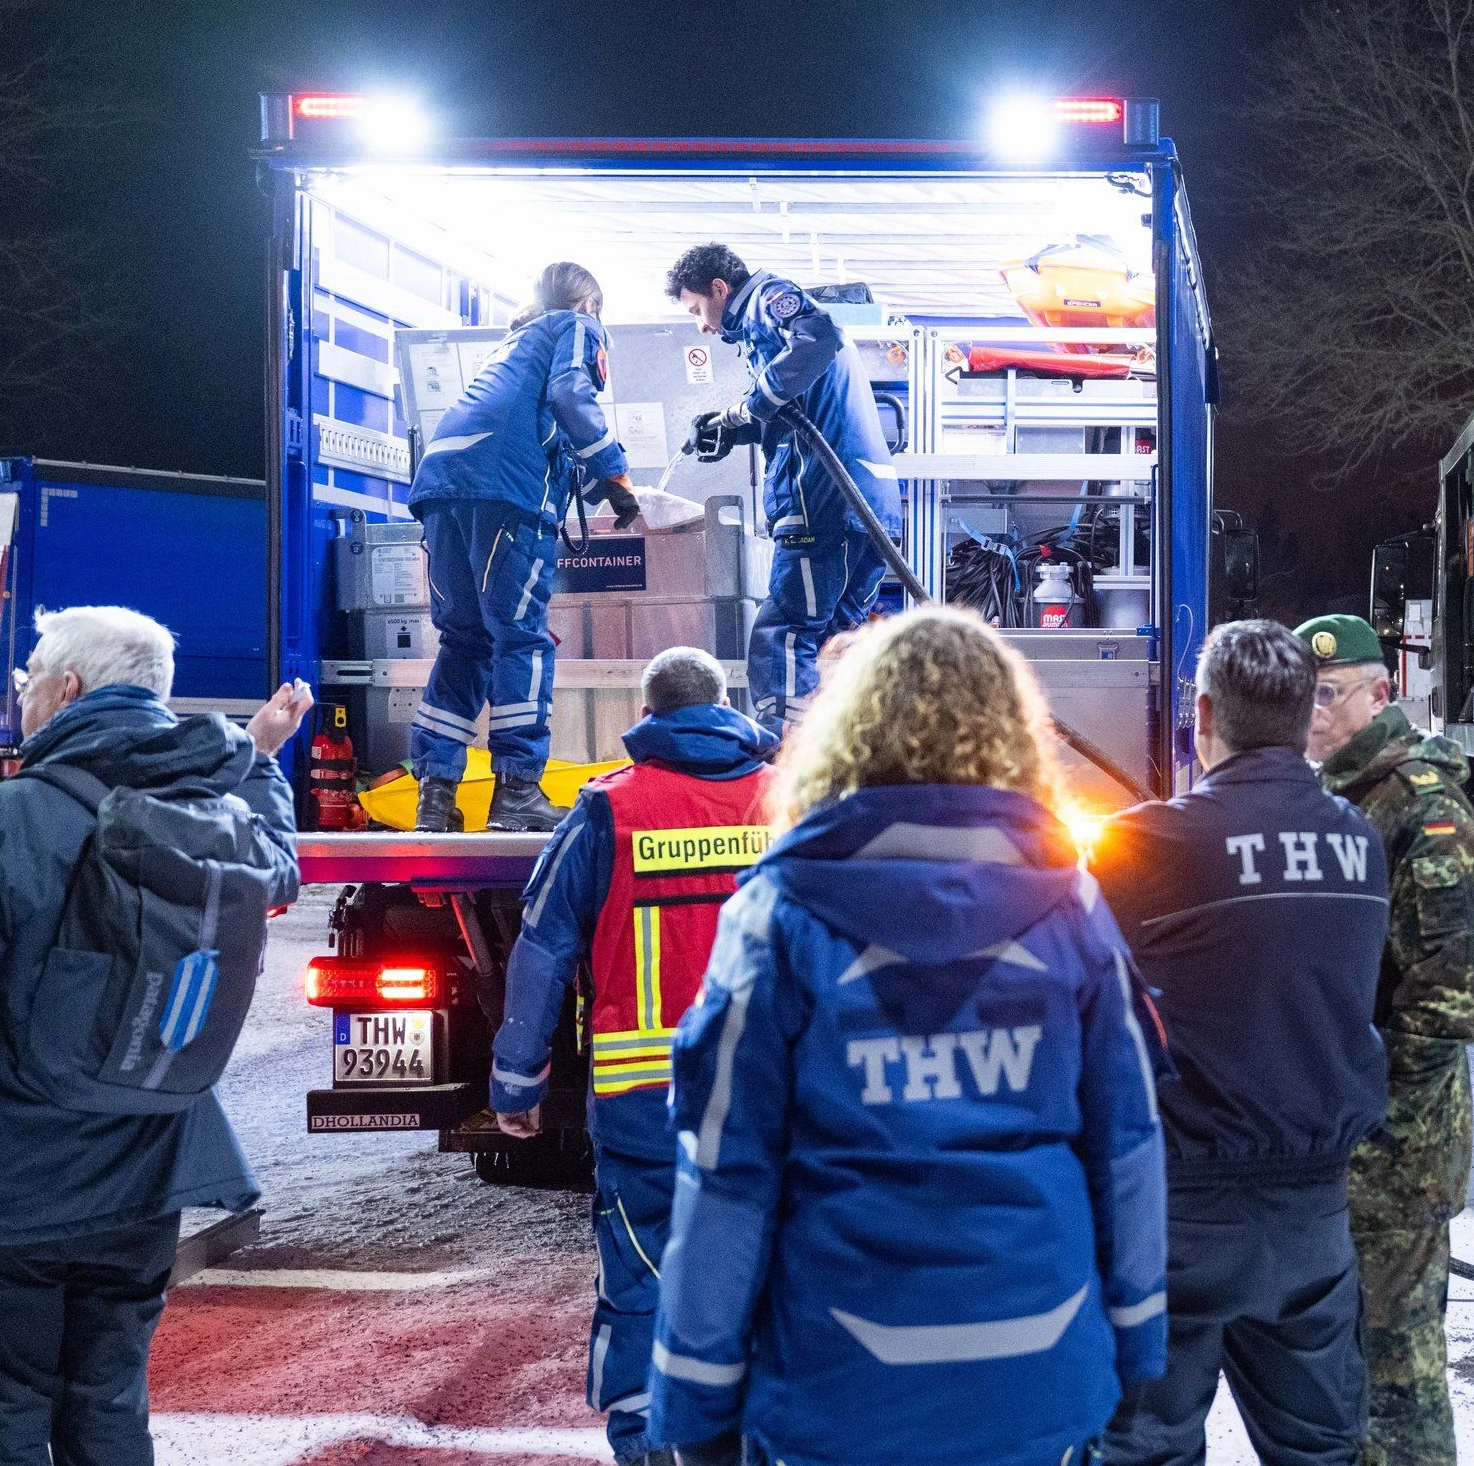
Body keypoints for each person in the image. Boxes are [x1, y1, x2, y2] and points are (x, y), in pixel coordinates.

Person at [646, 607, 1166, 1466]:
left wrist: (696, 1394)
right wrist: (1139, 1341)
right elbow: (1129, 1146)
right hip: (1036, 1373)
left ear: (848, 729)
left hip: (840, 1384)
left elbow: (725, 1173)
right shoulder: (1070, 905)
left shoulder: (778, 913)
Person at [0, 607, 311, 1464]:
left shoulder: (4, 816)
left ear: (67, 691)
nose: (23, 693)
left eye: (29, 676)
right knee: (108, 1408)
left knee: (0, 1415)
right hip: (149, 1174)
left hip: (10, 1183)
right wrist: (257, 755)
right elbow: (280, 862)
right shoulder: (210, 806)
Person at [1093, 621, 1392, 1466]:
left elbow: (1080, 1009)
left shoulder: (1143, 843)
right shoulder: (1359, 844)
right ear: (1306, 720)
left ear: (1202, 712)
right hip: (1313, 1215)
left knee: (1145, 1446)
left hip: (1178, 1209)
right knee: (1321, 1448)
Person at [486, 647, 779, 1466]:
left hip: (643, 1101)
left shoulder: (606, 810)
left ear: (647, 717)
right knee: (769, 1269)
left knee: (643, 1278)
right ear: (726, 704)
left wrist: (518, 1078)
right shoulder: (786, 800)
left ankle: (651, 1449)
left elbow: (542, 948)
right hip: (766, 1098)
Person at [1295, 615, 1474, 1466]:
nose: (1313, 711)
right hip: (1359, 1151)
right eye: (1303, 694)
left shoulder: (1417, 800)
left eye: (1330, 694)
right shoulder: (1347, 794)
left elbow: (1459, 992)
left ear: (1382, 693)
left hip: (1396, 1156)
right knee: (1348, 1389)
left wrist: (1378, 1111)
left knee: (1399, 1396)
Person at [407, 261, 641, 832]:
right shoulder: (575, 325)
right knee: (521, 639)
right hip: (504, 497)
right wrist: (617, 474)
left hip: (441, 488)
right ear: (589, 304)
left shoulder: (513, 346)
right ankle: (516, 792)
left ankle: (435, 798)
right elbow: (570, 393)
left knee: (464, 640)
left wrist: (596, 484)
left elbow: (543, 435)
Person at [666, 243, 902, 731]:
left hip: (823, 501)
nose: (703, 327)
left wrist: (751, 406)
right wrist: (734, 427)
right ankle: (840, 747)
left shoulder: (767, 299)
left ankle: (781, 753)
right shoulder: (764, 333)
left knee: (784, 632)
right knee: (835, 638)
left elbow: (821, 337)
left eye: (697, 311)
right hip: (866, 506)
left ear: (719, 289)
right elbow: (799, 414)